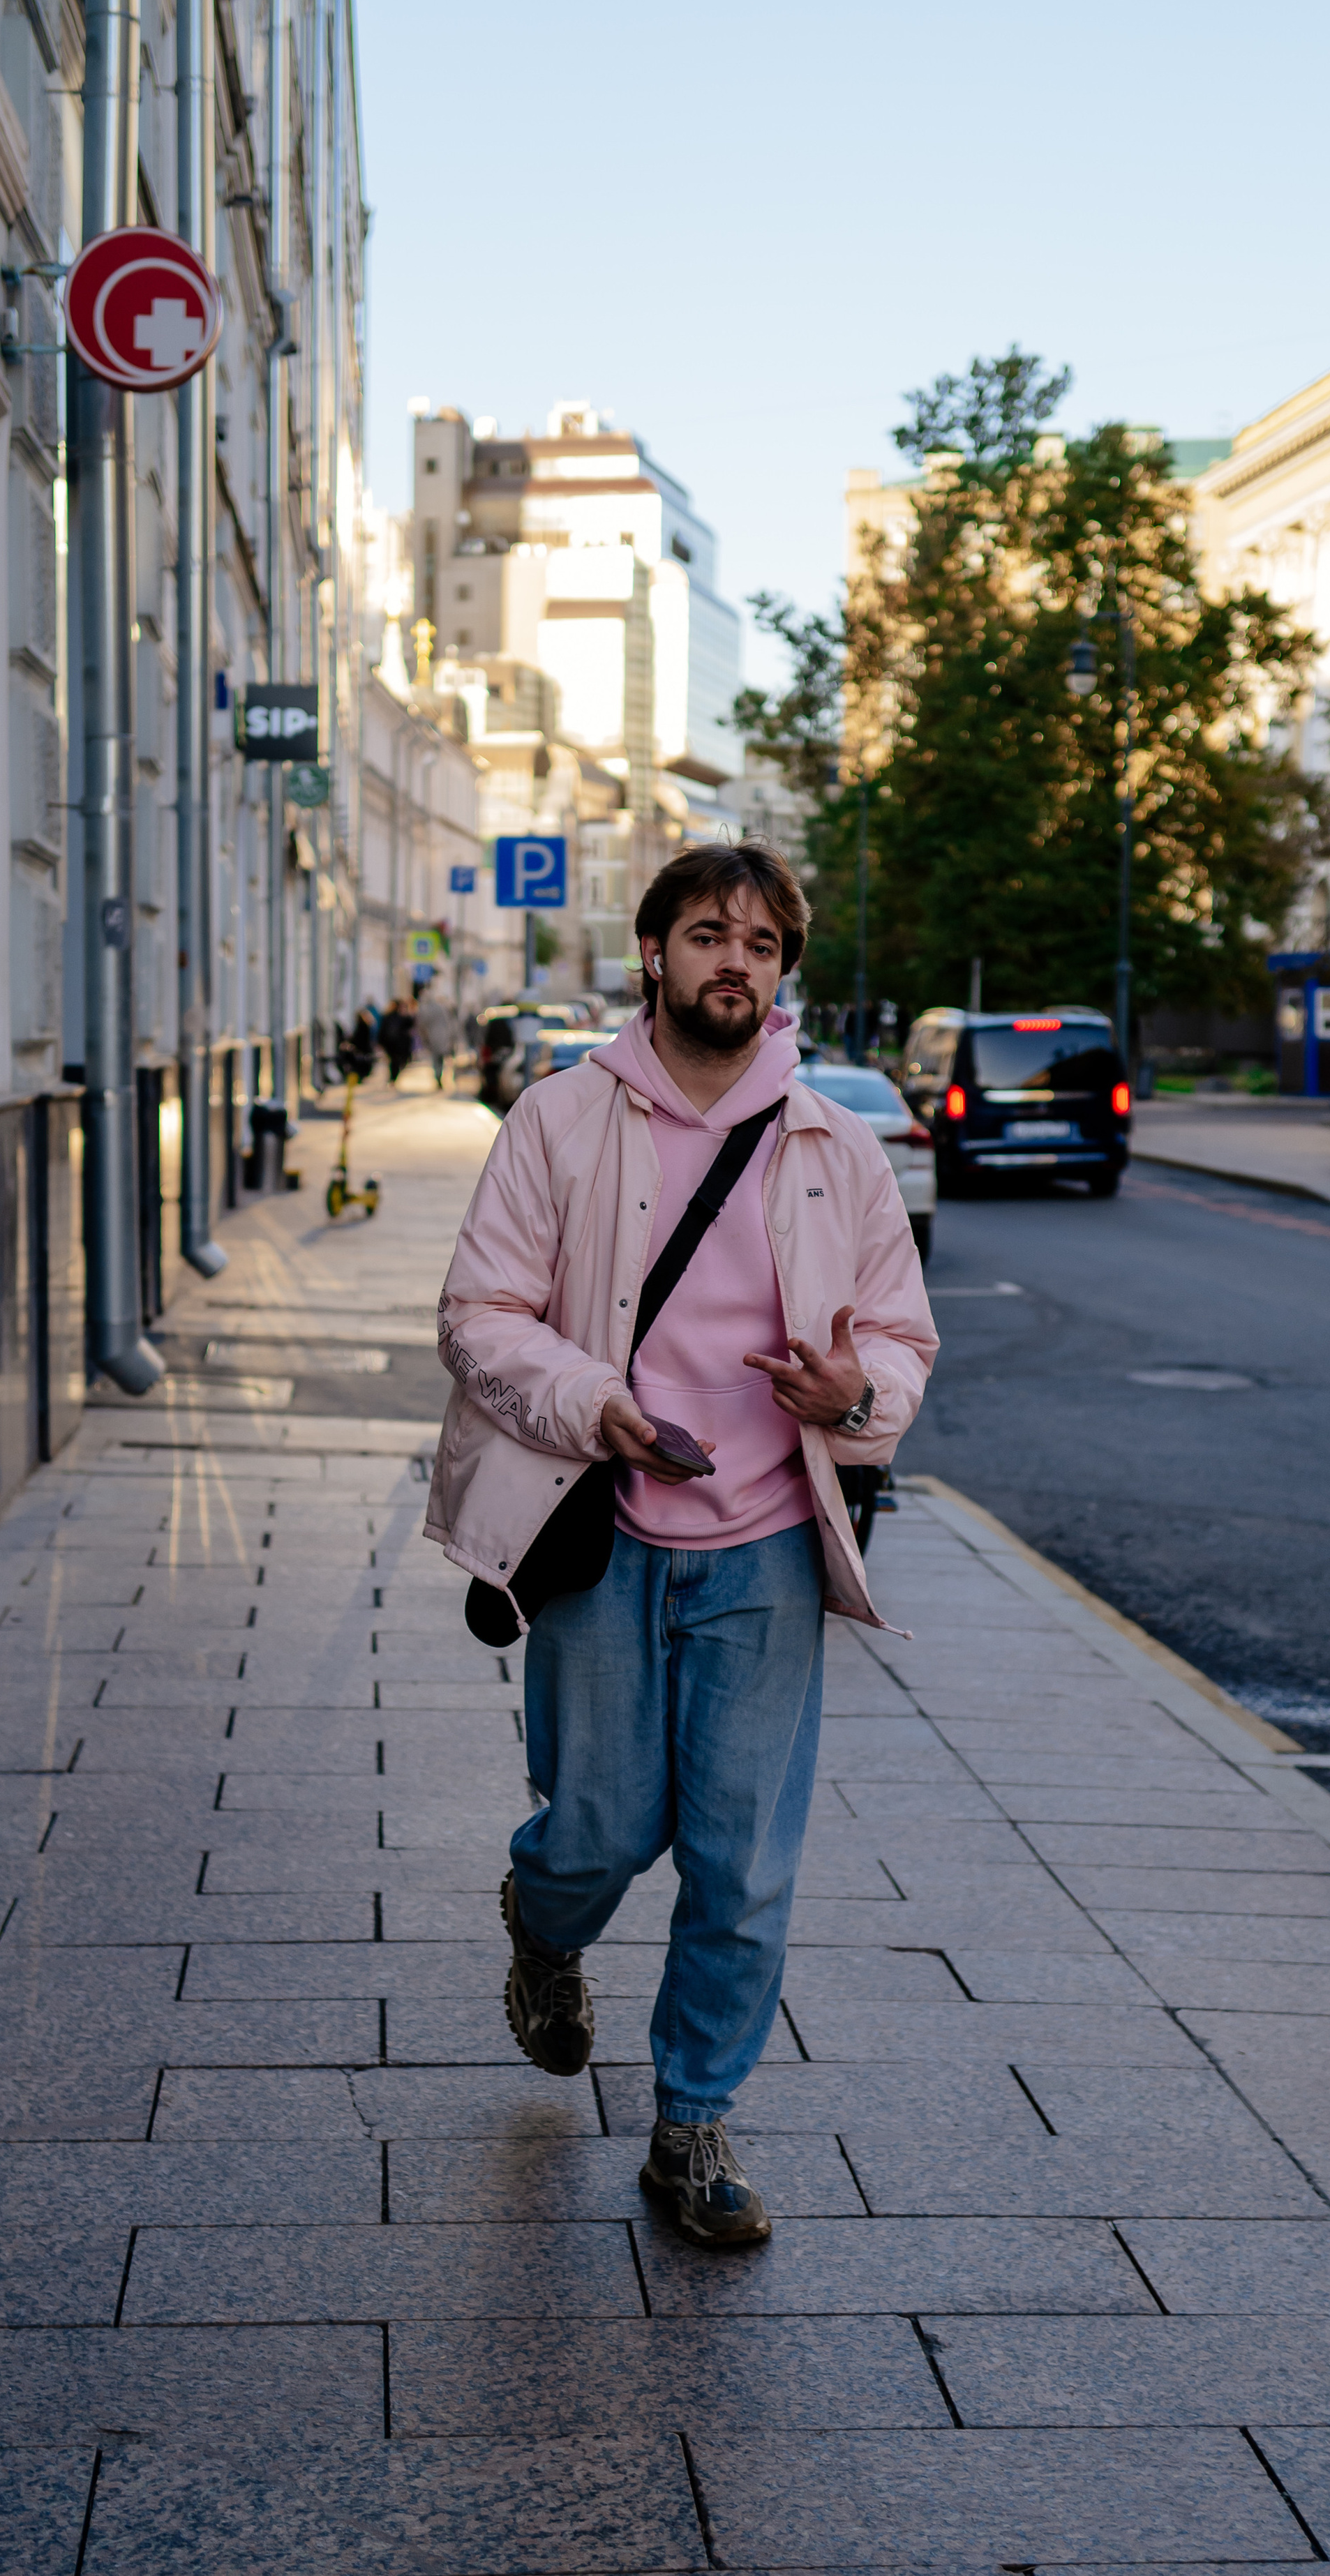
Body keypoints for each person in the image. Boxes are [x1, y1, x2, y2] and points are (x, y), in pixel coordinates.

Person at [426, 841, 937, 2250]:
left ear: (783, 972)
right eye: (708, 933)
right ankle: (544, 1926)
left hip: (769, 1543)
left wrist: (859, 1401)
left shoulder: (833, 1144)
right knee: (596, 1828)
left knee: (738, 1859)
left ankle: (689, 2124)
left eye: (762, 944)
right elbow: (479, 1315)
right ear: (652, 952)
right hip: (602, 1530)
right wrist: (603, 1406)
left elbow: (898, 1331)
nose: (735, 961)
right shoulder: (561, 1120)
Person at [417, 987, 456, 1089]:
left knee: (436, 1058)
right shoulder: (441, 1008)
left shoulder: (426, 1009)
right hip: (442, 1036)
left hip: (432, 1037)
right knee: (441, 1058)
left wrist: (424, 1038)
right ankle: (440, 1076)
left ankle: (438, 1076)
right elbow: (448, 1023)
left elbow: (422, 1024)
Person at [377, 995, 415, 1085]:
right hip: (394, 1043)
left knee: (395, 1061)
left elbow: (410, 1025)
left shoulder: (393, 1016)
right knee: (395, 1061)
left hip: (394, 1043)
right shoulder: (392, 1017)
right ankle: (393, 1078)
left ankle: (393, 1078)